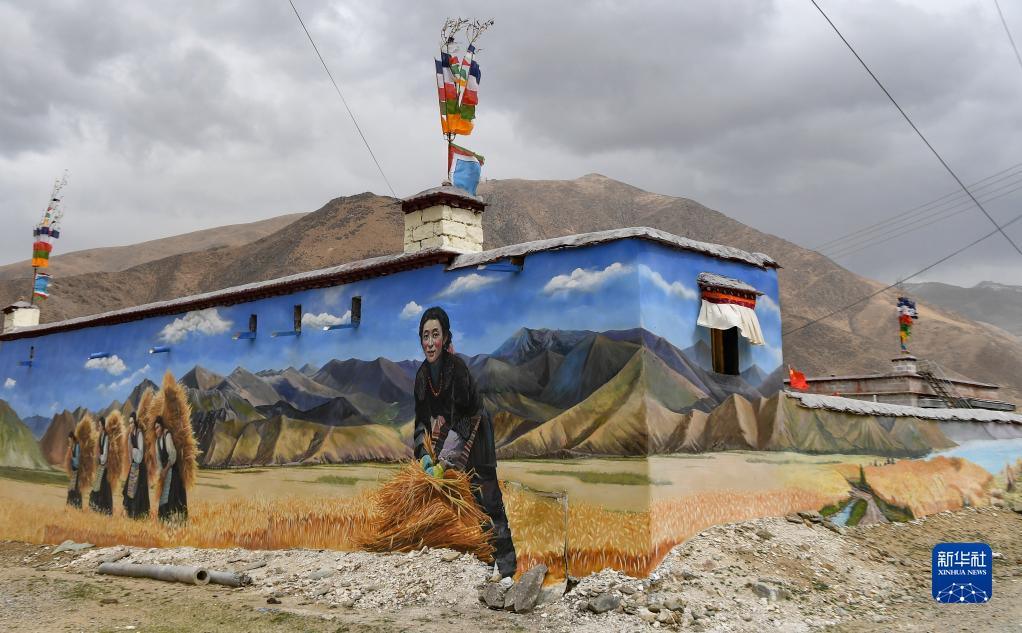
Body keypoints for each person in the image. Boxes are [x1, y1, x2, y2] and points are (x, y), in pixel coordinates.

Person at [412, 306, 517, 579]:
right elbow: (421, 422)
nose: (430, 342)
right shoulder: (422, 377)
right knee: (472, 505)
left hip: (477, 435)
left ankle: (508, 570)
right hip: (453, 439)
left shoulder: (456, 369)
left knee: (490, 501)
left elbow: (463, 419)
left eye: (436, 335)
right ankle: (487, 564)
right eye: (425, 336)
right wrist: (424, 455)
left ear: (446, 337)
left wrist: (444, 461)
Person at [155, 416, 187, 521]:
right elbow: (158, 460)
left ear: (162, 426)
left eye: (158, 427)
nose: (156, 430)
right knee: (164, 498)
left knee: (174, 495)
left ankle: (178, 521)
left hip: (173, 470)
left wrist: (166, 469)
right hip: (165, 473)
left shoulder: (167, 436)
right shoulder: (157, 442)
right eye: (155, 428)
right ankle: (165, 520)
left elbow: (173, 455)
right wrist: (161, 472)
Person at [122, 413, 150, 519]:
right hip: (134, 464)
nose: (130, 425)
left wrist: (133, 450)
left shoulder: (139, 434)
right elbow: (130, 452)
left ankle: (139, 515)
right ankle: (131, 513)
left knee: (138, 490)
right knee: (130, 488)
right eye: (129, 423)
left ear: (135, 423)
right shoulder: (130, 435)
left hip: (140, 465)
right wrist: (131, 461)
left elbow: (140, 453)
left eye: (132, 423)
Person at [89, 416, 113, 514]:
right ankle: (98, 508)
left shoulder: (106, 437)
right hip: (101, 465)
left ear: (103, 426)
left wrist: (100, 458)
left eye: (99, 426)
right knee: (98, 486)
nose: (98, 428)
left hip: (104, 465)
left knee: (104, 488)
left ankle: (106, 509)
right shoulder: (101, 436)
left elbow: (105, 454)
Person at [65, 431, 82, 508]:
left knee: (74, 489)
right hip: (74, 470)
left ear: (72, 439)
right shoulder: (73, 446)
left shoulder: (77, 446)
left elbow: (77, 460)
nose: (69, 442)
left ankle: (75, 506)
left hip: (77, 470)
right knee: (72, 488)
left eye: (70, 440)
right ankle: (70, 506)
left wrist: (71, 457)